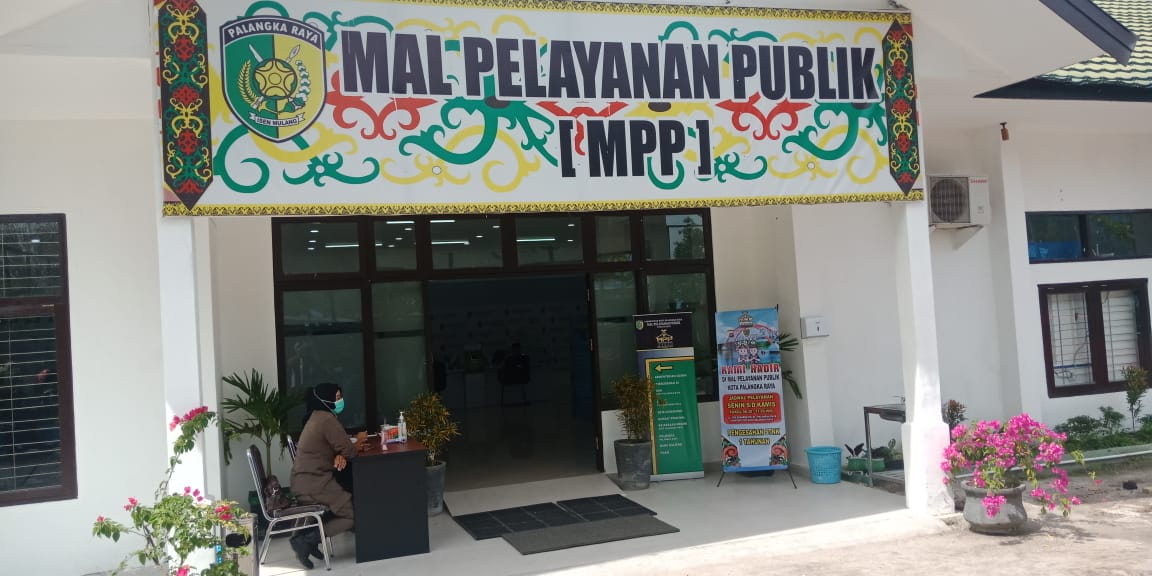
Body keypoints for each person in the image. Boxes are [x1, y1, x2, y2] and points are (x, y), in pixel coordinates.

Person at [289, 383, 356, 569]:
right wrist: (350, 448)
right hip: (314, 483)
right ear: (326, 399)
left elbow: (340, 449)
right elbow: (350, 450)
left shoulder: (317, 416)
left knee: (344, 503)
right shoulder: (326, 420)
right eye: (337, 397)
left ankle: (308, 540)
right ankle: (307, 540)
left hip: (305, 479)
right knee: (352, 515)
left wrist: (340, 454)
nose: (340, 401)